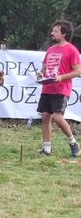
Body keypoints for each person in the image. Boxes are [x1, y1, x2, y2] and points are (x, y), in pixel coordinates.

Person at [36, 20, 80, 157]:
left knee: (57, 117)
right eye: (53, 30)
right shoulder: (50, 49)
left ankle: (73, 142)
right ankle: (47, 148)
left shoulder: (72, 50)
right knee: (45, 116)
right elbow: (44, 68)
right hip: (47, 88)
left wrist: (62, 77)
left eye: (55, 31)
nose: (52, 33)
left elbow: (78, 71)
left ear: (64, 33)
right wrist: (40, 74)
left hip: (62, 88)